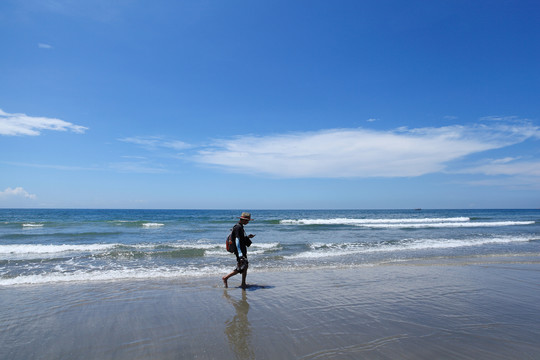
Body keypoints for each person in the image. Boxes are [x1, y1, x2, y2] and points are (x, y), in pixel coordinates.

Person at [223, 212, 255, 289]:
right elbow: (237, 240)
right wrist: (240, 253)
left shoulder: (240, 226)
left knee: (245, 266)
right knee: (242, 267)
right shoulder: (238, 227)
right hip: (239, 250)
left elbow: (240, 239)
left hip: (242, 249)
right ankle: (226, 277)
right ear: (243, 220)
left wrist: (248, 237)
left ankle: (243, 283)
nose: (248, 222)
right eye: (247, 221)